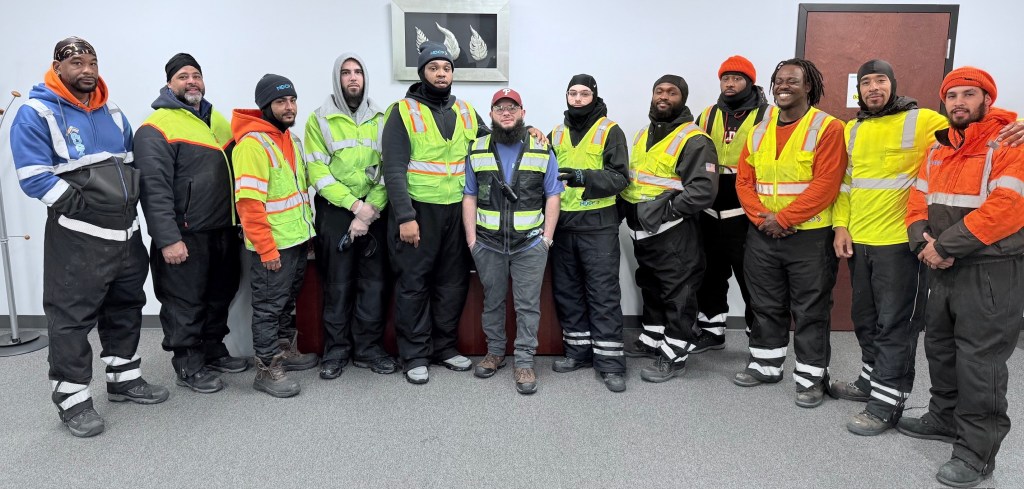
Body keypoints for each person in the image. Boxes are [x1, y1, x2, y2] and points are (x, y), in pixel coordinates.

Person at [10, 37, 168, 438]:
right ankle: (73, 400)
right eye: (77, 62)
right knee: (71, 319)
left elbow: (129, 164)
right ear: (57, 68)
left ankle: (123, 379)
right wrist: (83, 208)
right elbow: (33, 177)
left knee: (126, 306)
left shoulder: (112, 111)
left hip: (126, 235)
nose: (87, 70)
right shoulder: (36, 112)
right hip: (78, 238)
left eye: (92, 62)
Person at [380, 42, 545, 384]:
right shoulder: (402, 111)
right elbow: (392, 169)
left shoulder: (466, 111)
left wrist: (527, 129)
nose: (441, 74)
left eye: (446, 68)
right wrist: (405, 217)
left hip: (457, 210)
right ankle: (415, 355)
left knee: (451, 283)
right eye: (433, 68)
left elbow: (498, 138)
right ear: (422, 73)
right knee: (414, 284)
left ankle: (444, 347)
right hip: (419, 211)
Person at [899, 67, 1024, 488]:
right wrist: (922, 242)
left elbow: (1008, 207)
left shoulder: (1010, 142)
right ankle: (943, 418)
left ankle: (976, 454)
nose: (958, 102)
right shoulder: (938, 148)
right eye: (951, 96)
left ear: (987, 99)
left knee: (979, 362)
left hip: (990, 270)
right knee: (940, 348)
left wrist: (946, 246)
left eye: (968, 94)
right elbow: (917, 200)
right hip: (942, 267)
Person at [828, 59, 947, 434]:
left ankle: (885, 404)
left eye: (880, 80)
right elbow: (847, 183)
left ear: (893, 84)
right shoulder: (853, 128)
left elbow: (970, 136)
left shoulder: (923, 120)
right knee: (865, 319)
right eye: (866, 83)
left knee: (896, 325)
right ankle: (869, 381)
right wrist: (841, 226)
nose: (873, 88)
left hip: (901, 245)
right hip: (861, 241)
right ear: (858, 90)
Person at [733, 59, 846, 409]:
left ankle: (811, 377)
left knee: (811, 308)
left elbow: (827, 184)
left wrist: (782, 219)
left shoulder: (828, 127)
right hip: (762, 233)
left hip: (809, 236)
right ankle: (766, 364)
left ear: (808, 86)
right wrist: (761, 219)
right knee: (765, 302)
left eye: (792, 81)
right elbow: (744, 181)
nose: (783, 86)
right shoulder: (758, 130)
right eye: (779, 81)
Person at [135, 53, 247, 395]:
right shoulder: (156, 127)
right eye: (183, 76)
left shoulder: (217, 120)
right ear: (169, 84)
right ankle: (188, 363)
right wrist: (167, 238)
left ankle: (212, 349)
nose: (191, 81)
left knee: (219, 294)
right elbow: (153, 189)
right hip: (184, 233)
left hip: (223, 229)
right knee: (184, 301)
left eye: (196, 75)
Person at [304, 53, 398, 379]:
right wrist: (355, 208)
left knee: (374, 284)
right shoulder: (319, 120)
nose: (353, 77)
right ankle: (336, 351)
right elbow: (317, 171)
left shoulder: (383, 118)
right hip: (336, 211)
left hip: (375, 210)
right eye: (346, 72)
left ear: (365, 78)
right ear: (337, 78)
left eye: (358, 72)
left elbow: (389, 168)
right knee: (338, 284)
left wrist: (369, 210)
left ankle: (368, 349)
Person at [620, 75, 719, 383]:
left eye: (672, 92)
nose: (664, 96)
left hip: (673, 230)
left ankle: (675, 353)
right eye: (659, 91)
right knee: (650, 284)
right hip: (643, 230)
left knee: (679, 292)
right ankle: (654, 337)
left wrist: (666, 213)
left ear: (682, 98)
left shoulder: (695, 139)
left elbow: (703, 190)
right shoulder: (642, 133)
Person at [463, 88, 562, 395]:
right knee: (492, 302)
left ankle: (524, 361)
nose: (506, 113)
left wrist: (547, 239)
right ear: (491, 115)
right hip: (488, 243)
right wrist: (471, 240)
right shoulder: (476, 148)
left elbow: (553, 195)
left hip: (530, 245)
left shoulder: (541, 148)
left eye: (512, 108)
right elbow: (469, 195)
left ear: (522, 113)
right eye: (499, 108)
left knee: (528, 306)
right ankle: (495, 353)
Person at [231, 74, 318, 398]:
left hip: (296, 240)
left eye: (292, 100)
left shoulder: (291, 140)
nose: (289, 107)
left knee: (286, 302)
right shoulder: (252, 145)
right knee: (268, 308)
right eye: (281, 101)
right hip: (273, 246)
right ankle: (267, 369)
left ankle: (284, 351)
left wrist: (307, 234)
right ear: (265, 106)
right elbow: (249, 205)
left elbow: (299, 192)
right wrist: (267, 250)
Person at [548, 74, 630, 393]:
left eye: (584, 93)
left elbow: (620, 178)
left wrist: (584, 177)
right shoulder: (556, 132)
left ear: (594, 96)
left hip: (598, 224)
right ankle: (578, 352)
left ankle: (610, 363)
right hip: (563, 224)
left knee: (603, 293)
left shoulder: (610, 130)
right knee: (568, 291)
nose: (578, 99)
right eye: (573, 93)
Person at [694, 55, 768, 346]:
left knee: (752, 278)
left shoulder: (769, 115)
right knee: (709, 274)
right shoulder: (707, 115)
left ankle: (758, 337)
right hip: (710, 210)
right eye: (726, 78)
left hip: (746, 211)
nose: (730, 84)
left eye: (737, 79)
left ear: (749, 83)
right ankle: (711, 331)